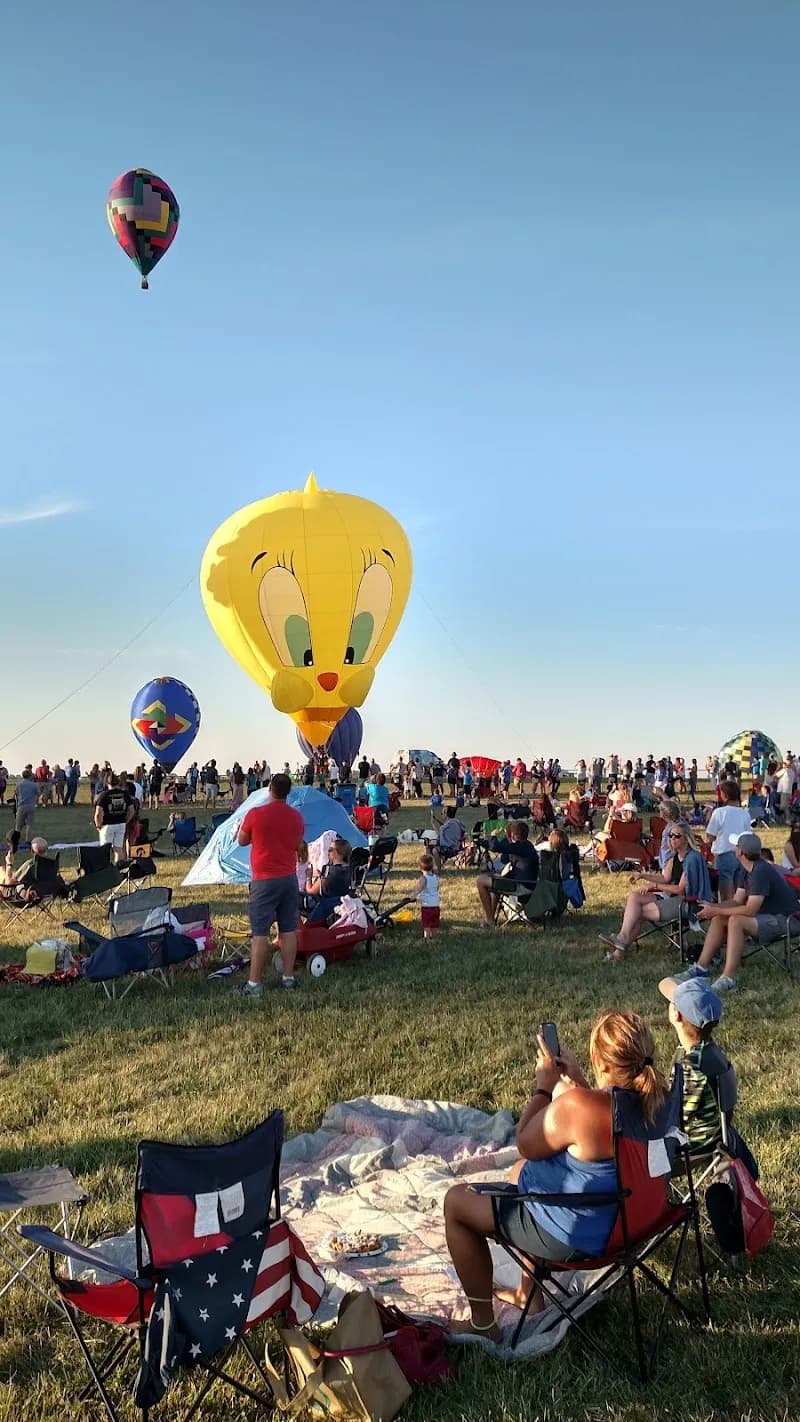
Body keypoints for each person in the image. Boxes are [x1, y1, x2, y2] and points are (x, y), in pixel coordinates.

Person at [443, 1011, 667, 1343]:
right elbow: (608, 1127)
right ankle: (528, 1295)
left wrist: (544, 1087)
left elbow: (526, 1142)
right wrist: (578, 1083)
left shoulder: (580, 1106)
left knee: (456, 1203)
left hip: (579, 1239)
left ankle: (482, 1324)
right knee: (519, 1175)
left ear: (599, 1061)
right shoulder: (657, 1098)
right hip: (638, 1221)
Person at [672, 832, 800, 993]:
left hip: (787, 920)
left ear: (740, 852)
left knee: (736, 920)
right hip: (767, 917)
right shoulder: (745, 868)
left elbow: (750, 909)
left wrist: (716, 909)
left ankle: (729, 978)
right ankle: (701, 968)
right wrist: (713, 907)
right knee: (720, 918)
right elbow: (738, 900)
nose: (735, 848)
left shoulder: (760, 871)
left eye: (737, 846)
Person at [599, 823, 711, 962]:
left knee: (638, 913)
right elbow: (665, 878)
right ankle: (621, 940)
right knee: (635, 897)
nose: (672, 839)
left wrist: (655, 885)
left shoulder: (692, 858)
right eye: (670, 835)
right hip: (673, 898)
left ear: (687, 839)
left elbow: (680, 889)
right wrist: (643, 876)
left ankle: (619, 950)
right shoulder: (675, 857)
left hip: (689, 903)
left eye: (677, 836)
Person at [237, 772, 305, 994]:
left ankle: (254, 983)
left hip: (264, 881)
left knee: (260, 933)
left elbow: (242, 840)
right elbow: (297, 845)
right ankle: (288, 978)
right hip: (288, 879)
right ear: (288, 792)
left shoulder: (255, 814)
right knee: (288, 930)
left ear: (269, 789)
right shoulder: (296, 817)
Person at [476, 820, 539, 926]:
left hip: (521, 886)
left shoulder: (520, 847)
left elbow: (494, 847)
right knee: (496, 879)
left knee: (480, 881)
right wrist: (509, 839)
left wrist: (493, 836)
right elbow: (505, 859)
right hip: (527, 883)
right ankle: (490, 918)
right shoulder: (526, 845)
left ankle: (489, 919)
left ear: (513, 834)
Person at [704, 781, 752, 902]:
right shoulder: (745, 813)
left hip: (724, 854)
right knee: (738, 891)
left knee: (725, 896)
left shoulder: (719, 812)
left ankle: (725, 917)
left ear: (724, 795)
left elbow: (710, 836)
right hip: (741, 855)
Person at [305, 836, 352, 922]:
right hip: (342, 902)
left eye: (330, 849)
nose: (327, 852)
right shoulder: (350, 869)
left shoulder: (329, 871)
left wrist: (308, 877)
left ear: (338, 853)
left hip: (325, 905)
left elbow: (310, 891)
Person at [93, 774, 134, 859]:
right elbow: (131, 810)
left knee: (105, 850)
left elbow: (98, 813)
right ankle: (119, 869)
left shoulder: (104, 795)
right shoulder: (124, 794)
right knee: (118, 849)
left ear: (107, 783)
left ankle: (107, 870)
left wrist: (98, 825)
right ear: (118, 783)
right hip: (121, 824)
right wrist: (126, 820)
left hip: (107, 825)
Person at [416, 852, 440, 940]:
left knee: (427, 923)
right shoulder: (436, 877)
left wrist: (412, 896)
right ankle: (433, 937)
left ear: (420, 867)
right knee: (434, 923)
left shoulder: (423, 878)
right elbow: (437, 888)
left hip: (426, 906)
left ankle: (426, 937)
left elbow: (419, 889)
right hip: (436, 905)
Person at [433, 805, 465, 872]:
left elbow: (438, 831)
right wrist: (437, 821)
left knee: (435, 850)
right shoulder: (455, 822)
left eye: (442, 813)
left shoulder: (450, 824)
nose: (441, 815)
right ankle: (431, 868)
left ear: (446, 814)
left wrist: (433, 822)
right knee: (429, 847)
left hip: (451, 848)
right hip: (456, 846)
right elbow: (443, 828)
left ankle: (438, 871)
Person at [13, 768, 38, 847]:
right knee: (29, 824)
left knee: (18, 825)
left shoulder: (19, 784)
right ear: (30, 776)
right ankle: (28, 840)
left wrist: (17, 805)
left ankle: (15, 841)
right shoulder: (34, 785)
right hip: (31, 806)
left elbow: (16, 795)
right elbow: (38, 793)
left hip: (21, 806)